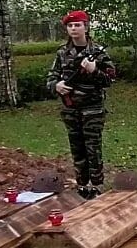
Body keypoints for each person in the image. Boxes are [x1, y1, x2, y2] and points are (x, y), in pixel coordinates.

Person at [45, 10, 117, 199]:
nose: (74, 28)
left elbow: (110, 79)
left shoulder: (97, 52)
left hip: (92, 108)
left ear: (86, 27)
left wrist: (94, 71)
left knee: (93, 147)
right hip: (70, 109)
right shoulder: (62, 52)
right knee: (77, 147)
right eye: (70, 26)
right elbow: (51, 77)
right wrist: (57, 86)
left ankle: (97, 184)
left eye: (78, 25)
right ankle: (82, 184)